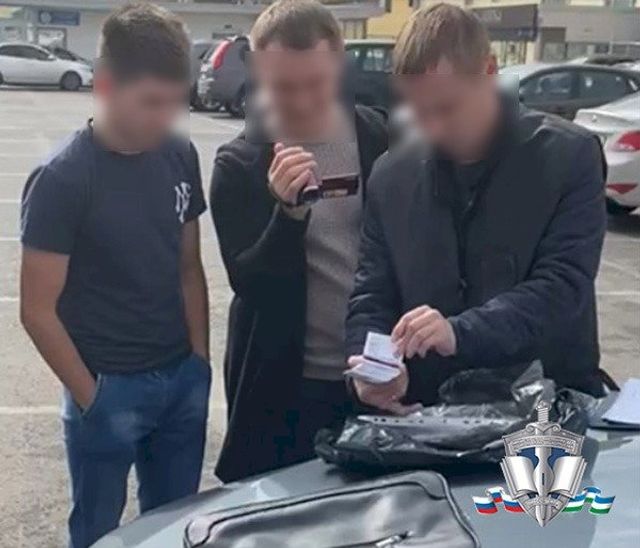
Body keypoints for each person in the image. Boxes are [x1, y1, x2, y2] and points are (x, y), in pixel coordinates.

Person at [345, 3, 607, 414]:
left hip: (548, 413)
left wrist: (459, 333)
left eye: (447, 108)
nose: (433, 128)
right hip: (428, 415)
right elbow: (372, 294)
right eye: (419, 111)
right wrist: (374, 369)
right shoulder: (391, 175)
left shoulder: (569, 157)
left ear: (489, 71)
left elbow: (562, 288)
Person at [19, 4, 210, 546]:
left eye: (175, 102)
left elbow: (188, 266)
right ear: (104, 85)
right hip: (108, 389)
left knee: (173, 531)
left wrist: (199, 362)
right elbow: (36, 309)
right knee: (96, 533)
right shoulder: (62, 179)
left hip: (181, 381)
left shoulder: (179, 155)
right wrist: (92, 398)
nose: (165, 118)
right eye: (151, 102)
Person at [210, 0, 388, 482]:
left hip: (375, 380)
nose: (304, 101)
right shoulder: (241, 164)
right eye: (285, 87)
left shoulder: (380, 138)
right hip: (285, 387)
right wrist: (287, 216)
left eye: (316, 83)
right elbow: (251, 286)